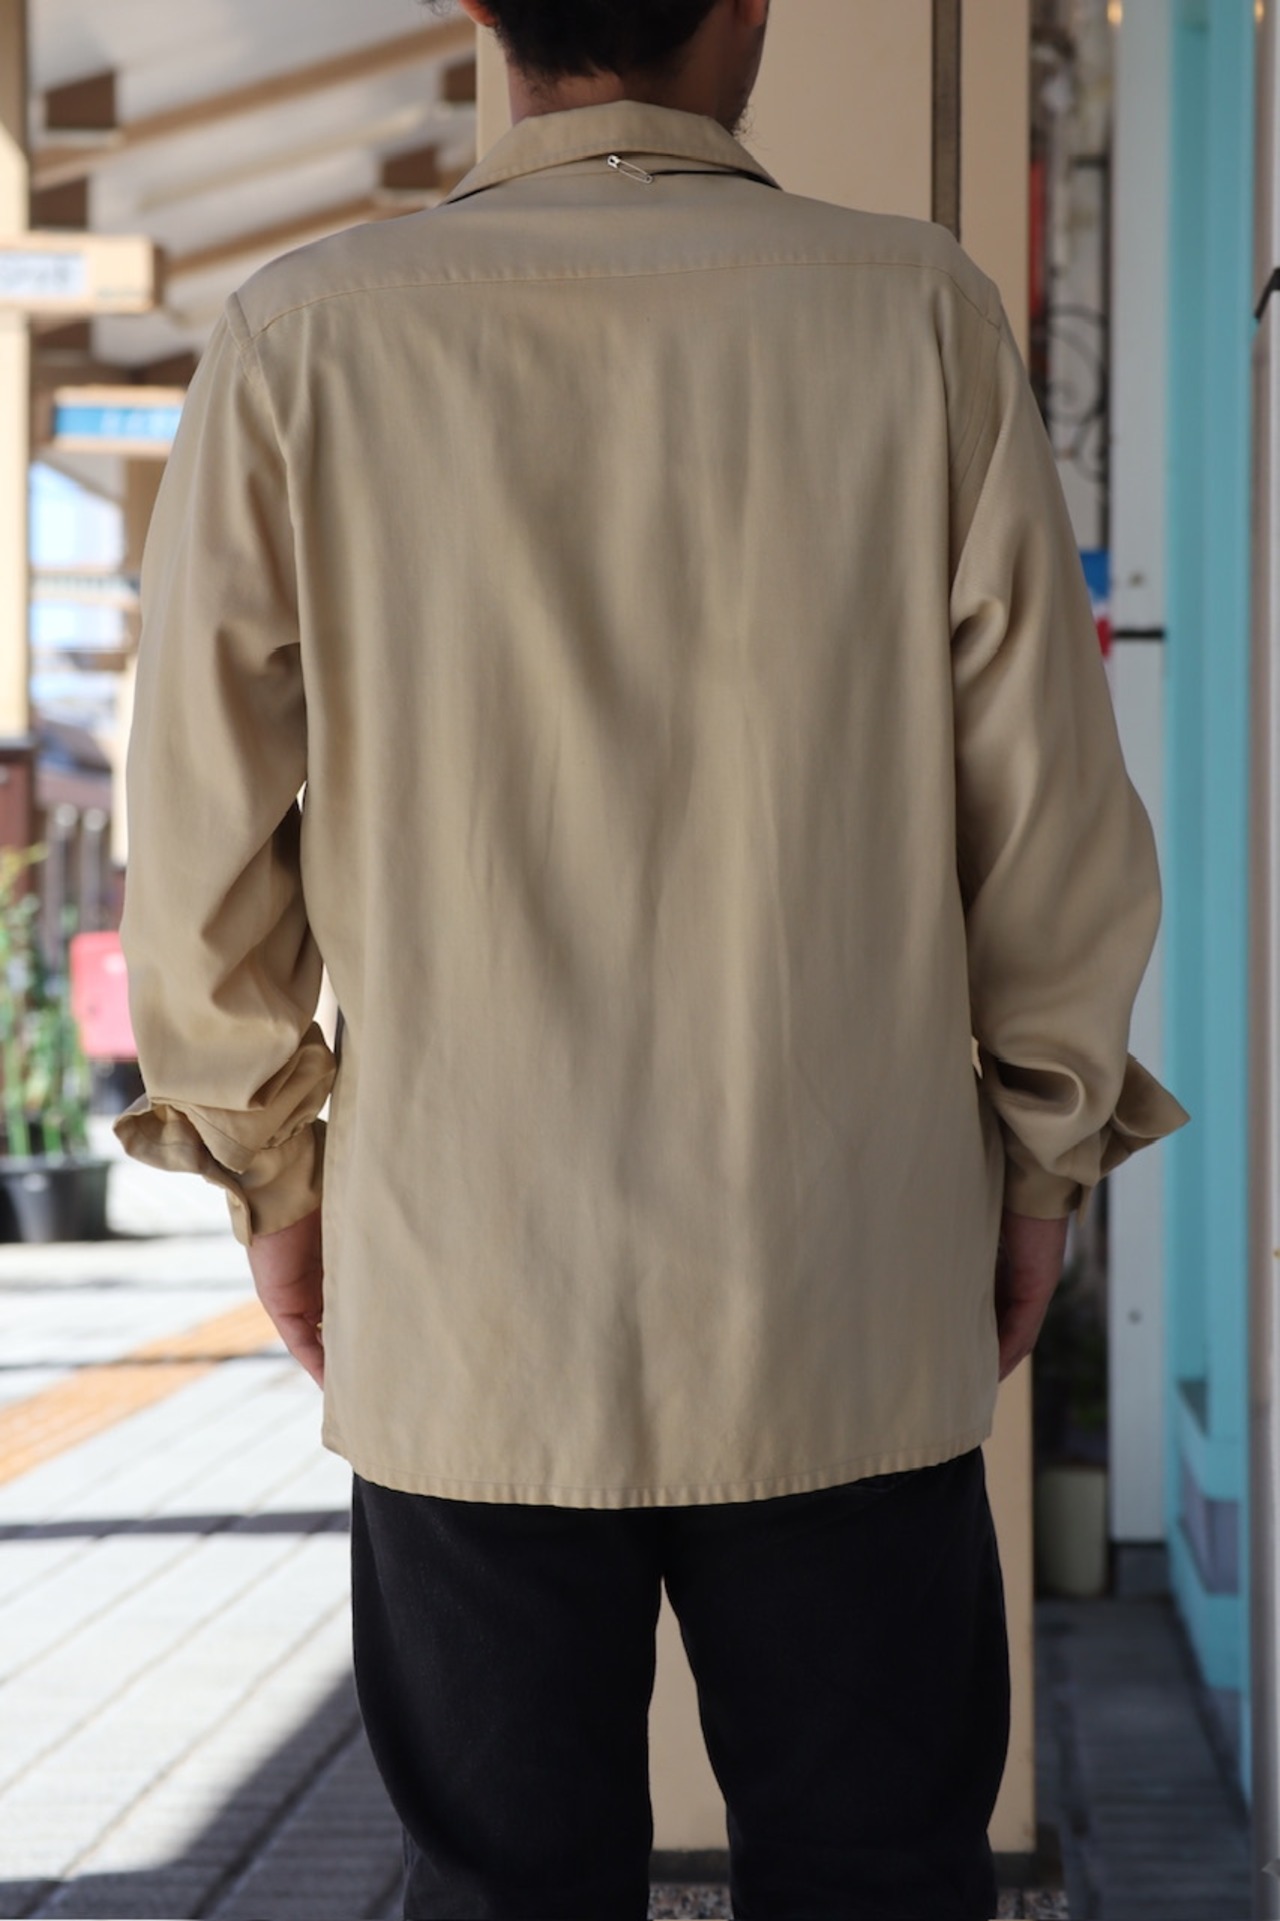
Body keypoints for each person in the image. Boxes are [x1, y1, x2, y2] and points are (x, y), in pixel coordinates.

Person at [115, 1, 1189, 1915]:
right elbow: (1047, 815)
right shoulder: (917, 315)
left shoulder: (301, 338)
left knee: (505, 1885)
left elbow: (200, 853)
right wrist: (1041, 1162)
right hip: (845, 1287)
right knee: (879, 1874)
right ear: (747, 5)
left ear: (480, 9)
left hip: (469, 1308)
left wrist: (274, 1175)